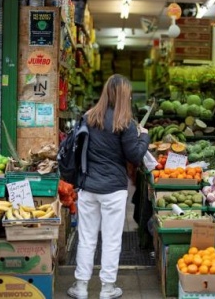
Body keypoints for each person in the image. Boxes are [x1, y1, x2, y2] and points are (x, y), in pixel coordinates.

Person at [67, 74, 150, 299]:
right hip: (113, 189)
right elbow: (135, 156)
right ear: (125, 96)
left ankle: (81, 287)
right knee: (112, 240)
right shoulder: (125, 123)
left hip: (88, 186)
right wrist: (145, 137)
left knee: (86, 238)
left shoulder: (88, 117)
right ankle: (107, 289)